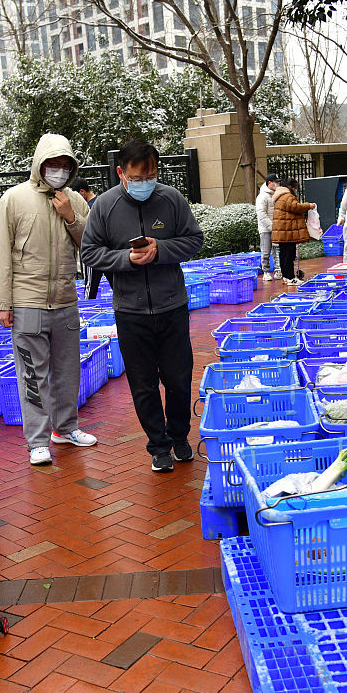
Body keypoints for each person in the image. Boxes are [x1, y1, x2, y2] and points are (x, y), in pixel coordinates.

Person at [81, 139, 204, 473]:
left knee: (179, 379)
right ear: (122, 173)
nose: (145, 182)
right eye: (137, 177)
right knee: (143, 384)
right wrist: (127, 258)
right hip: (130, 311)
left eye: (151, 174)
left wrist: (160, 249)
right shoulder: (104, 207)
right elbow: (89, 253)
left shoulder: (171, 199)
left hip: (171, 306)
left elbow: (194, 239)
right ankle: (159, 446)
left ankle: (180, 436)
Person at [0, 134, 98, 466]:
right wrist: (3, 303)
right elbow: (1, 255)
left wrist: (70, 216)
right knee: (32, 377)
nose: (60, 171)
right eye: (54, 165)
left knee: (68, 372)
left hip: (66, 299)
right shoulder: (14, 199)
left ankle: (65, 429)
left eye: (66, 166)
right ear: (40, 165)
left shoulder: (74, 201)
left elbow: (91, 247)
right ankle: (37, 441)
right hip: (27, 304)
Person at [271, 178, 315, 287]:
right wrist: (308, 205)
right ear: (291, 187)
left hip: (283, 230)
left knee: (283, 254)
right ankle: (290, 278)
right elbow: (296, 207)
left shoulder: (280, 195)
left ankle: (286, 276)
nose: (296, 190)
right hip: (287, 231)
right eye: (295, 188)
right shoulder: (287, 196)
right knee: (289, 255)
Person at [255, 173, 281, 281]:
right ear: (270, 183)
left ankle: (278, 270)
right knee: (266, 251)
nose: (278, 184)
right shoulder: (262, 196)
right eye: (276, 182)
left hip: (275, 227)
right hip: (265, 229)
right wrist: (271, 226)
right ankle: (266, 272)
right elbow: (261, 213)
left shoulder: (276, 195)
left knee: (277, 250)